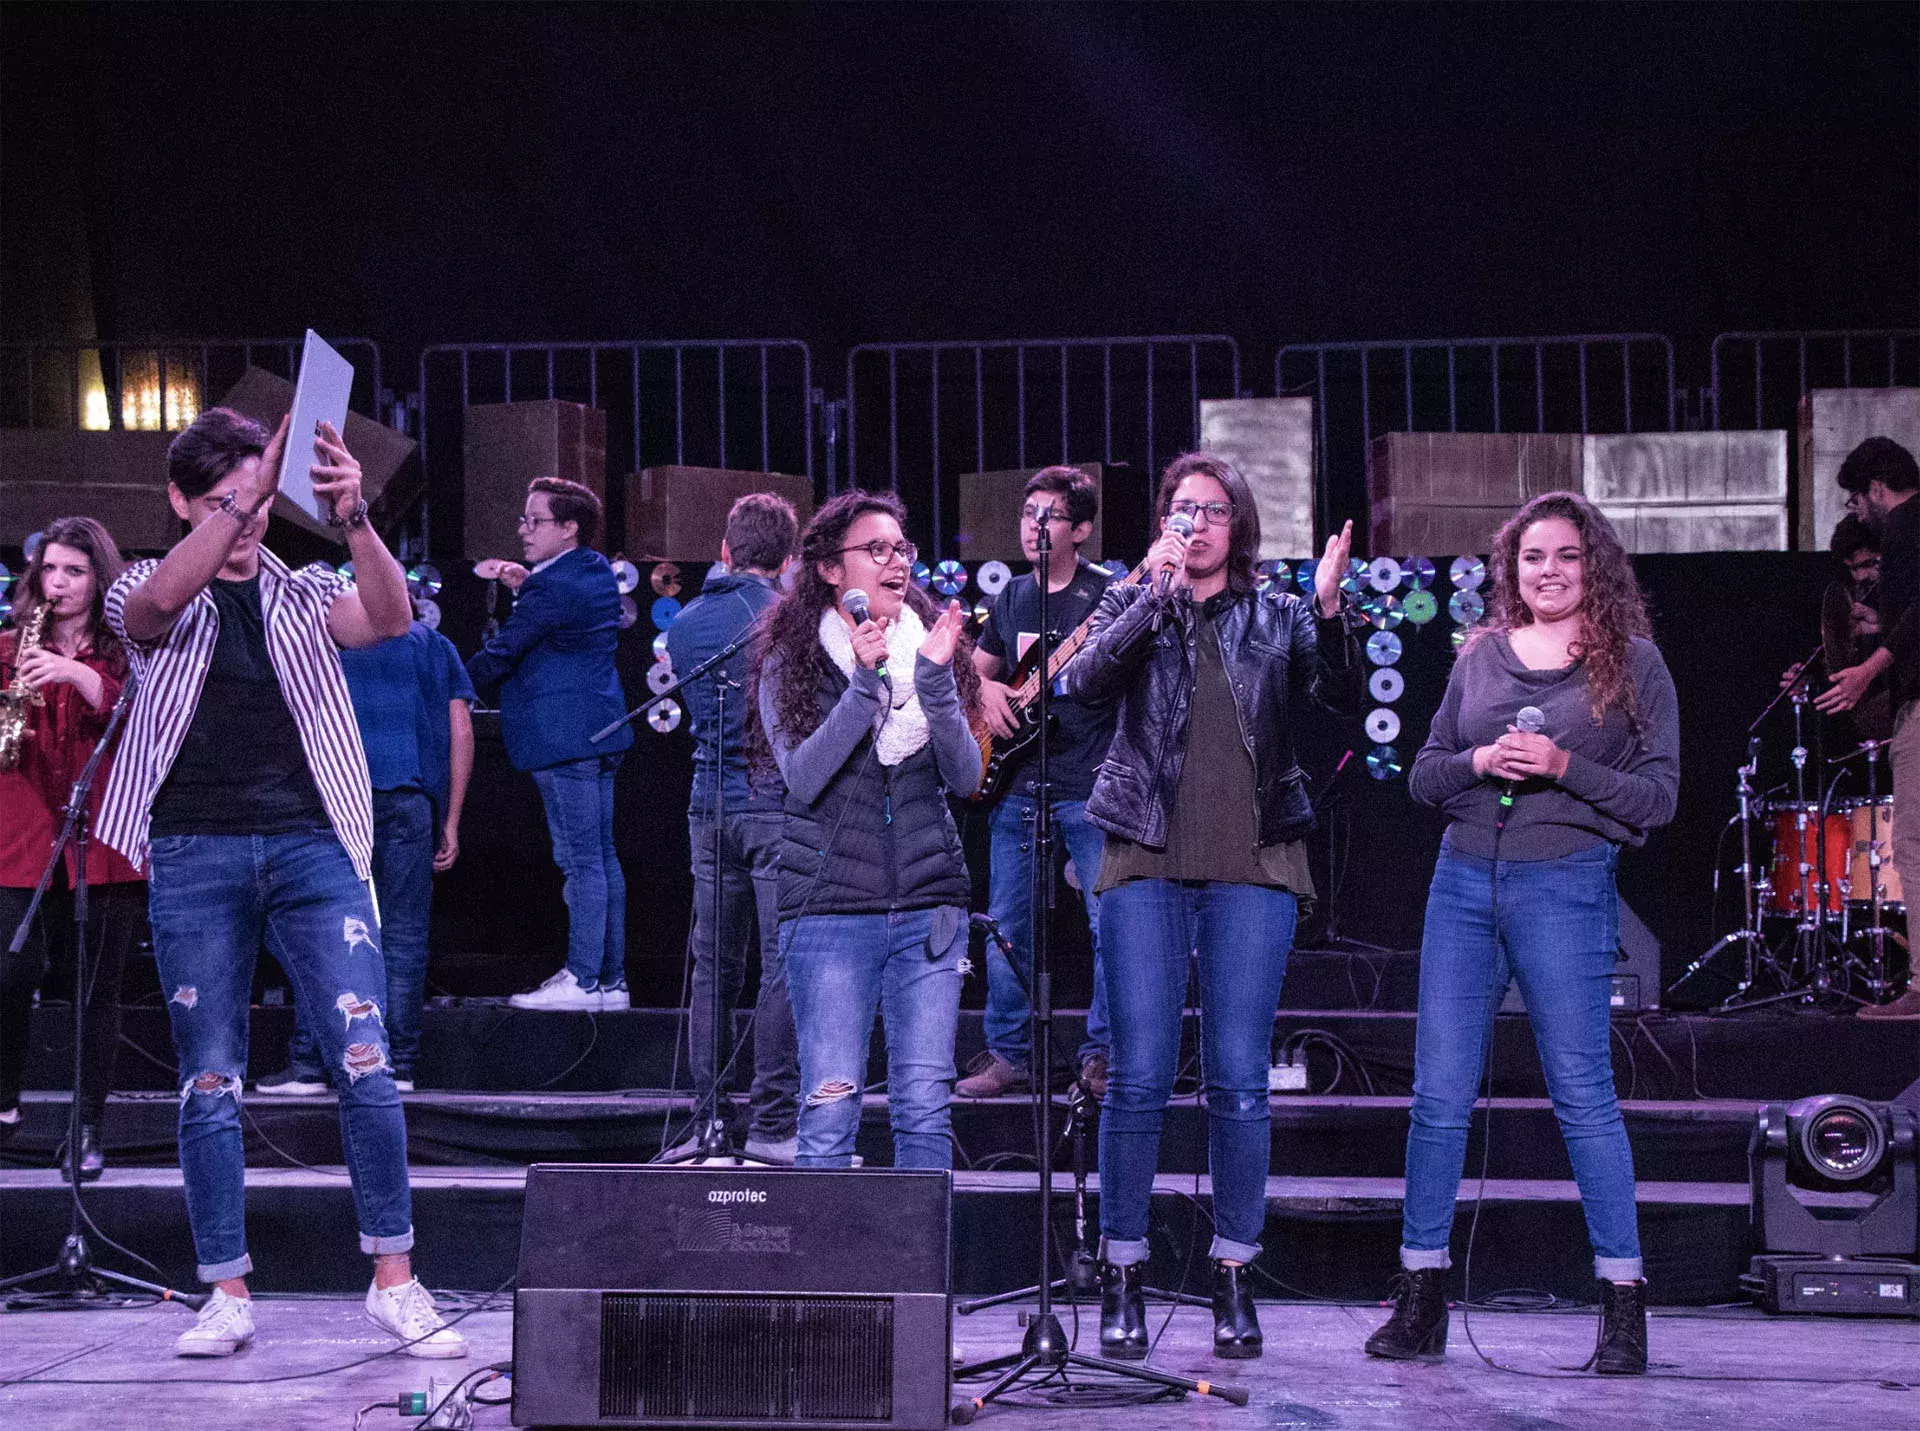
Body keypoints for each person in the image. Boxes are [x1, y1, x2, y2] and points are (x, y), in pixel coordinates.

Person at [98, 407, 464, 1358]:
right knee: (209, 1076)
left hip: (313, 847)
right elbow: (148, 612)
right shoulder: (148, 585)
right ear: (181, 502)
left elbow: (388, 619)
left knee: (365, 1056)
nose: (253, 514)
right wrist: (247, 496)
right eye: (225, 498)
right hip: (193, 849)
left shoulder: (303, 588)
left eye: (259, 494)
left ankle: (394, 1278)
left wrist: (353, 517)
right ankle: (226, 1288)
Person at [1365, 491, 1678, 1376]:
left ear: (1595, 566)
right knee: (1438, 1096)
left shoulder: (1635, 663)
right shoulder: (1479, 656)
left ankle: (1622, 1306)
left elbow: (1660, 797)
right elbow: (1425, 774)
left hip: (1568, 886)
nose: (1549, 571)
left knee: (1582, 1093)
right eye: (1533, 557)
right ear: (1512, 568)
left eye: (1567, 556)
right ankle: (1421, 1294)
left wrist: (1562, 765)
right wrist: (1477, 760)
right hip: (1462, 879)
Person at [1060, 451, 1359, 1362]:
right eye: (1181, 509)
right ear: (1161, 521)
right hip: (1145, 855)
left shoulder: (1277, 612)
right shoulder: (1130, 600)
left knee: (1236, 1077)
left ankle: (1234, 1270)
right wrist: (1150, 595)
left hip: (1254, 860)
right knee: (1138, 1072)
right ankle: (1122, 1269)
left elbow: (1338, 695)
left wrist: (1334, 610)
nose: (1196, 523)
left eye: (1214, 510)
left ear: (1240, 526)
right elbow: (1081, 686)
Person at [750, 490, 981, 1169]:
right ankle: (830, 1278)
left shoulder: (928, 646)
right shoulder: (791, 657)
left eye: (901, 548)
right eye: (875, 549)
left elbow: (966, 774)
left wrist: (935, 684)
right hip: (828, 914)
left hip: (928, 907)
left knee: (923, 1106)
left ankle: (920, 1276)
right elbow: (803, 775)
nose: (896, 561)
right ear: (829, 569)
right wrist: (865, 687)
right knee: (829, 1109)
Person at [255, 609, 476, 1095]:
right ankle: (396, 1065)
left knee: (325, 933)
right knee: (403, 935)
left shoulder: (324, 633)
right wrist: (452, 818)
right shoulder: (431, 643)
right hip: (408, 800)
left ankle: (314, 1064)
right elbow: (460, 730)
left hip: (334, 799)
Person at [958, 466, 1119, 1100]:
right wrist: (989, 689)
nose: (1035, 526)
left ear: (1080, 530)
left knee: (1111, 925)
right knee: (1006, 927)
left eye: (1050, 516)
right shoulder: (1012, 598)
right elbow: (972, 677)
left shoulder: (1107, 597)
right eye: (1029, 515)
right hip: (1019, 784)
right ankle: (1008, 1055)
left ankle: (1102, 1055)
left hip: (1091, 783)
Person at [0, 518, 143, 1182]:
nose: (57, 583)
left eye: (74, 572)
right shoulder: (10, 645)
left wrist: (74, 674)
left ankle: (86, 1127)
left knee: (95, 988)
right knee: (10, 971)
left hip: (101, 831)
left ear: (98, 579)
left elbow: (137, 712)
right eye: (49, 570)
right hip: (20, 826)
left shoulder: (123, 650)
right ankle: (4, 1103)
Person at [664, 493, 801, 1163]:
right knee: (779, 969)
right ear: (787, 558)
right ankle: (774, 1127)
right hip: (771, 803)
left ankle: (710, 1125)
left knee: (714, 971)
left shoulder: (685, 621)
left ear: (725, 549)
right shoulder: (784, 618)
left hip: (705, 802)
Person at [467, 477, 634, 1011]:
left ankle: (583, 981)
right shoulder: (594, 574)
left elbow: (507, 651)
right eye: (523, 519)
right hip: (599, 730)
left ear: (570, 528)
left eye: (534, 521)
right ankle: (610, 982)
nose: (523, 531)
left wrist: (446, 683)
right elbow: (561, 623)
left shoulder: (552, 586)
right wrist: (525, 586)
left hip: (564, 738)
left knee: (581, 862)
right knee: (601, 859)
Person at [1814, 437, 1918, 1019]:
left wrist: (1869, 669)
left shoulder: (1904, 528)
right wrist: (1880, 624)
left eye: (1857, 501)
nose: (1858, 513)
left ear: (1878, 489)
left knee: (1914, 845)